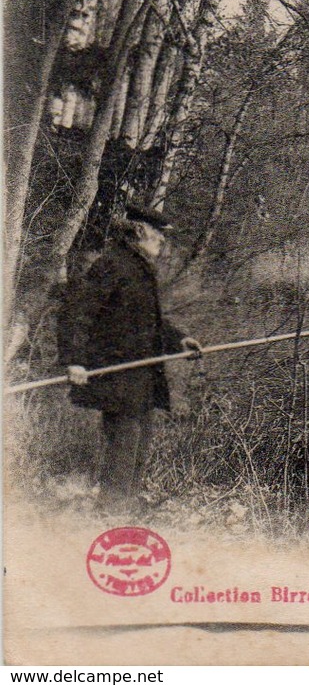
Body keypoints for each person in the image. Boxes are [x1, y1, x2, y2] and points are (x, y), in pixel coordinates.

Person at [59, 203, 203, 505]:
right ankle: (112, 514)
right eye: (158, 234)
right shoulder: (111, 265)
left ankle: (126, 508)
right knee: (123, 447)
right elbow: (77, 313)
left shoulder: (139, 269)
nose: (163, 241)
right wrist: (75, 360)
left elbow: (148, 321)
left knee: (139, 445)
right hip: (117, 374)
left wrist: (181, 341)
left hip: (142, 377)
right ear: (139, 230)